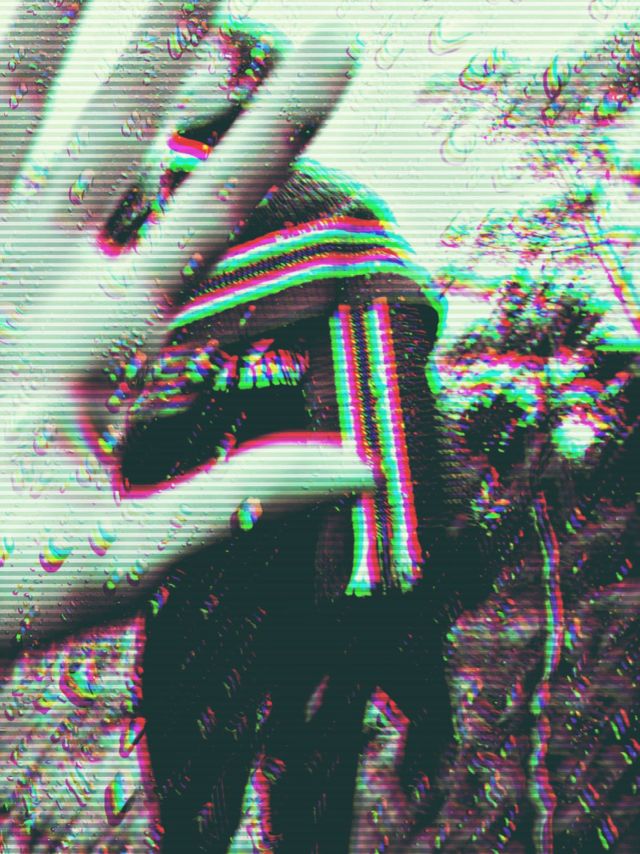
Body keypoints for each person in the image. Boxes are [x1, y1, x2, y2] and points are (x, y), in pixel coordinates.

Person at [1, 1, 639, 852]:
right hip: (188, 554)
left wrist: (395, 587)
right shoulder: (118, 230)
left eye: (200, 57)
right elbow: (79, 407)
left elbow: (393, 420)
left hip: (316, 554)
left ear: (247, 79)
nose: (173, 79)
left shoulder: (329, 217)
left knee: (307, 783)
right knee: (194, 786)